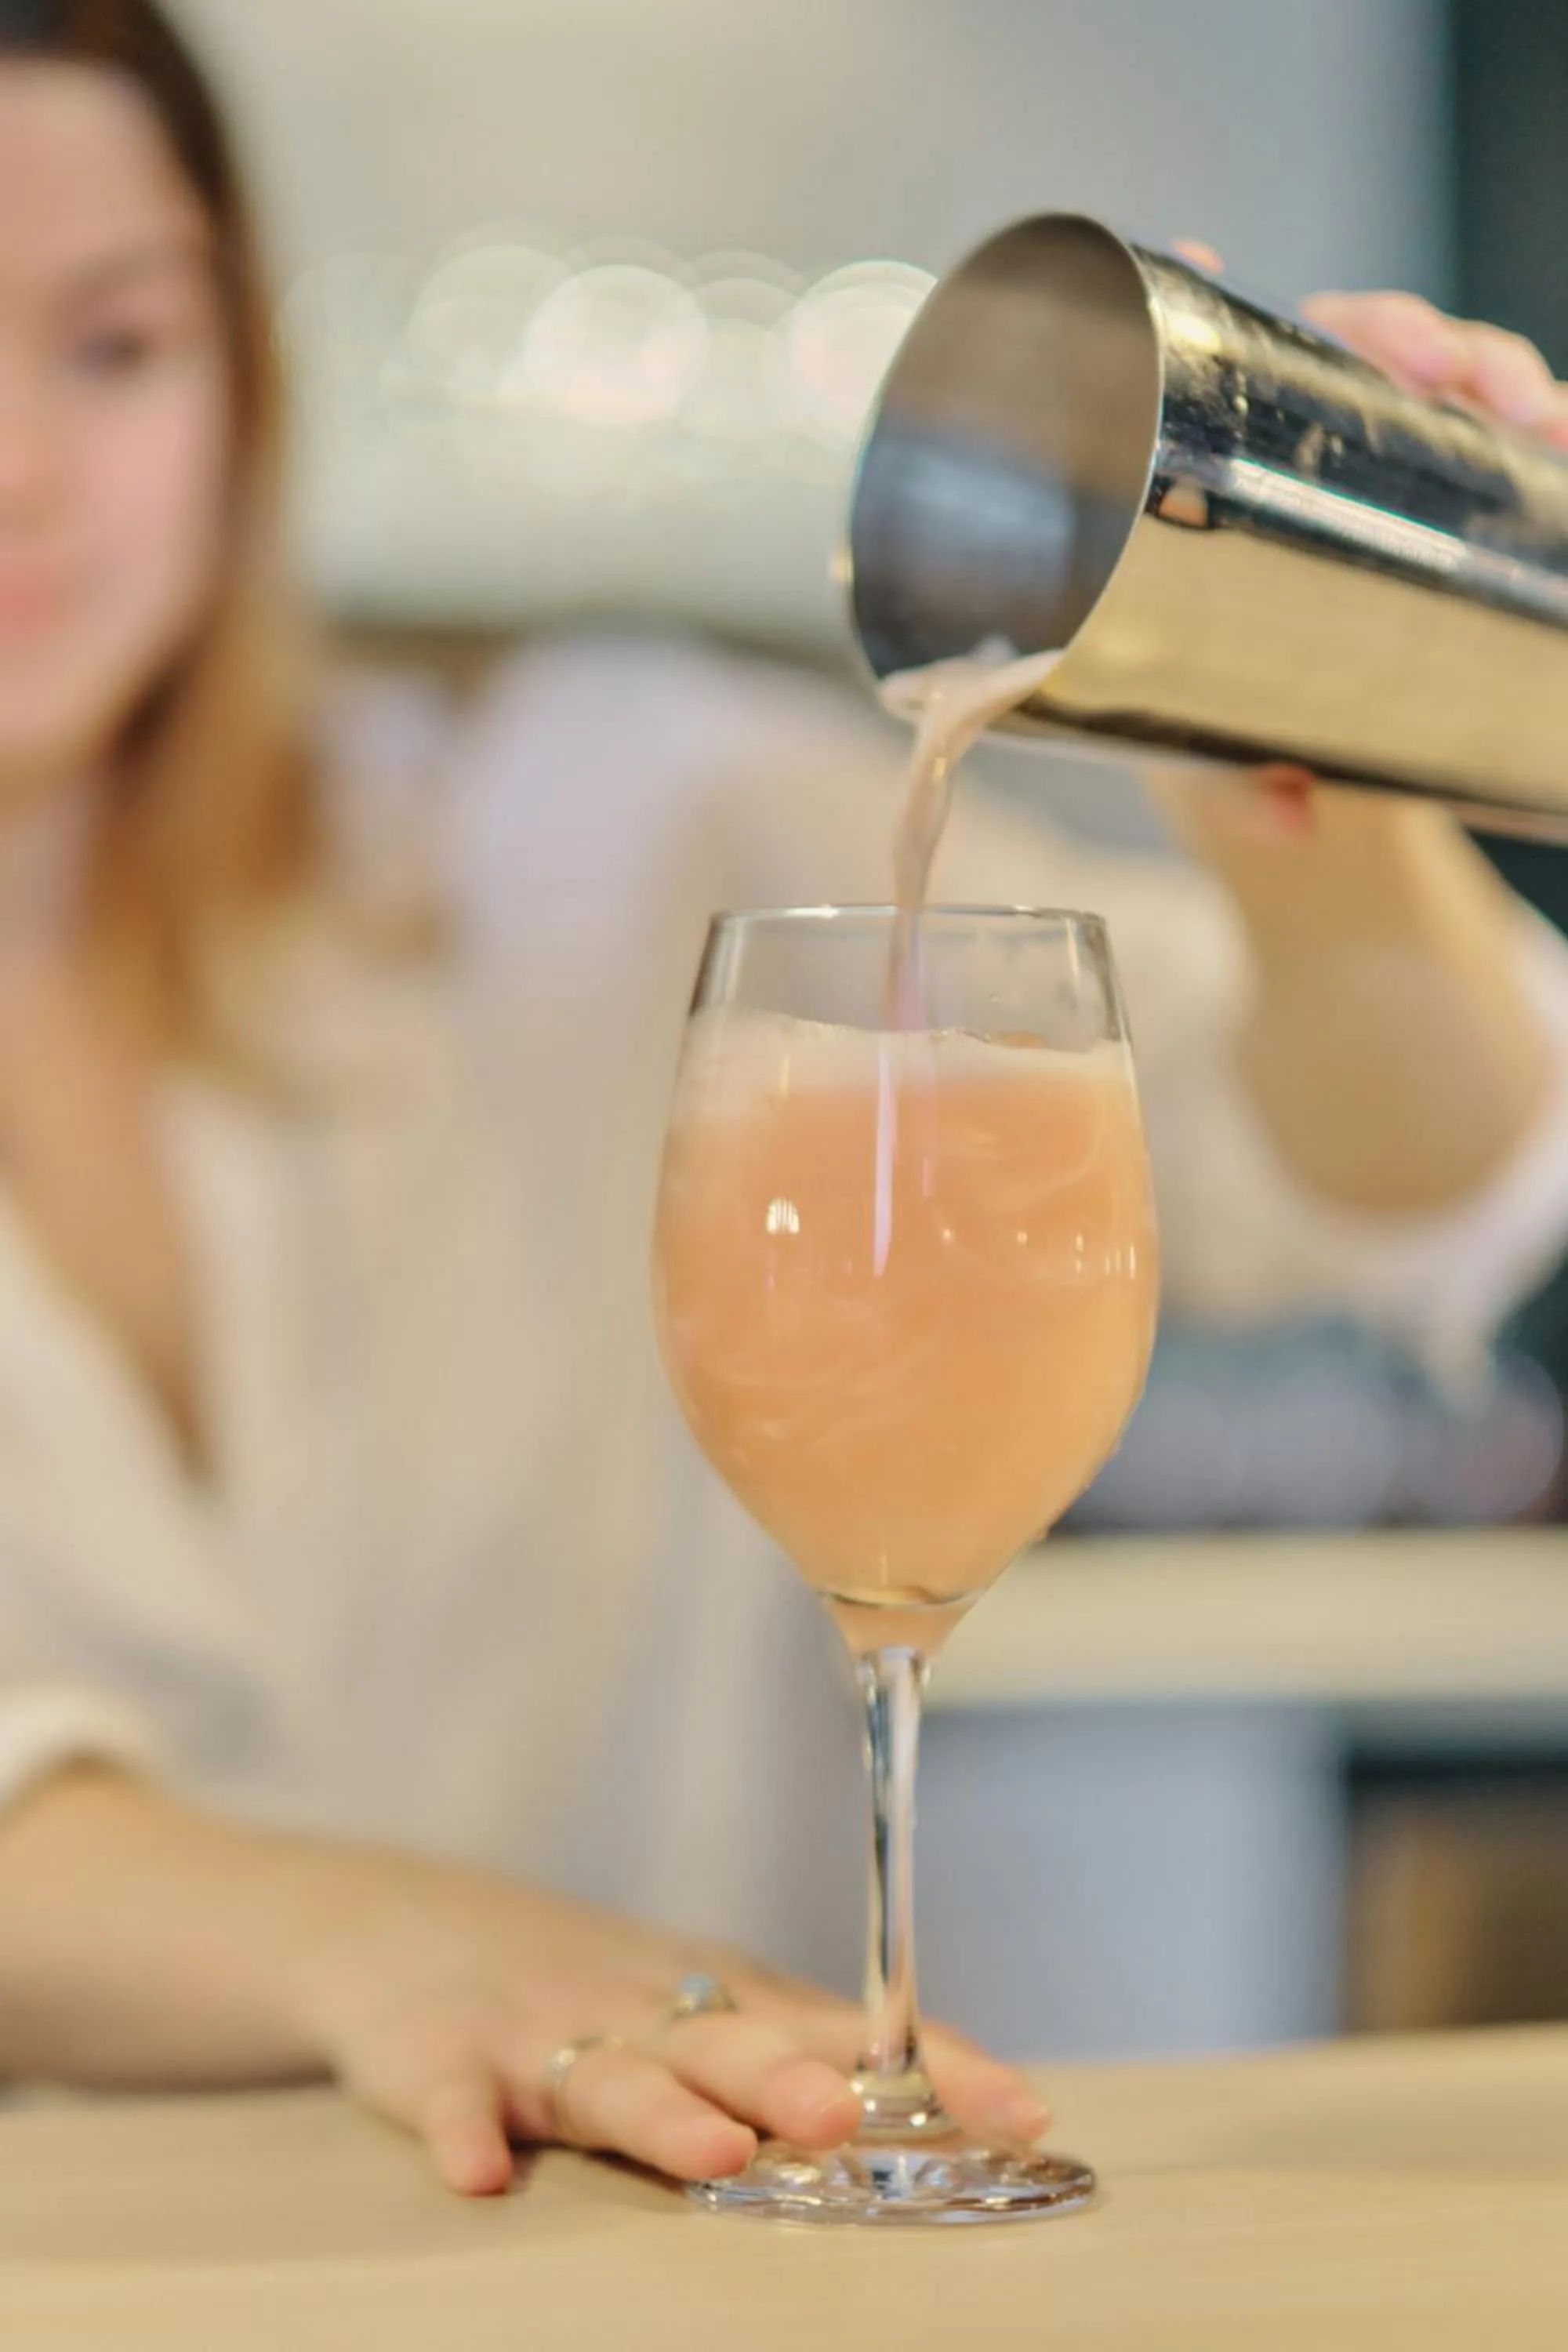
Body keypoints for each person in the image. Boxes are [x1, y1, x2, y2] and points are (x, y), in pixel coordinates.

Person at [3, 0, 1568, 2201]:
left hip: (670, 2247)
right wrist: (412, 1950)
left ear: (241, 396)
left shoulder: (610, 820)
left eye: (112, 347)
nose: (20, 470)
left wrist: (1322, 781)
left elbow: (1417, 1176)